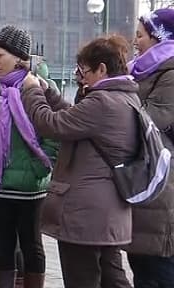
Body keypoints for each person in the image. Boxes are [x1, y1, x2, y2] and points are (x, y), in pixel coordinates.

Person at [21, 35, 136, 288]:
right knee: (112, 277)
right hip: (107, 211)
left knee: (82, 279)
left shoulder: (101, 101)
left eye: (84, 71)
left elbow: (51, 124)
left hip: (85, 215)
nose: (81, 77)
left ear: (102, 69)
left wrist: (31, 90)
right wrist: (49, 92)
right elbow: (75, 119)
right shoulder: (125, 97)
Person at [0, 26, 57, 288]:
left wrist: (40, 167)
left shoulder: (38, 87)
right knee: (3, 245)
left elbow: (52, 132)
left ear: (19, 57)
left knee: (32, 245)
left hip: (30, 186)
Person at [126, 8, 174, 287]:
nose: (135, 41)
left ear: (161, 38)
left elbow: (154, 119)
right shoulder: (143, 71)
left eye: (140, 35)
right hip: (146, 179)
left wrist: (116, 94)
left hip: (163, 182)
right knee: (143, 265)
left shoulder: (169, 74)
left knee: (159, 267)